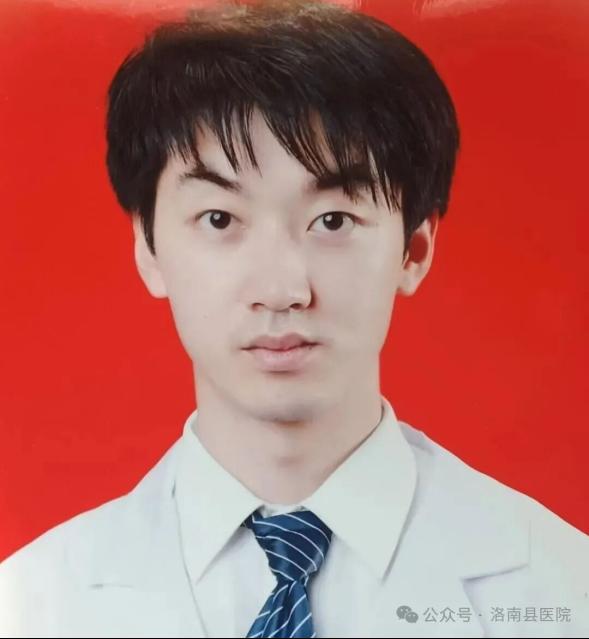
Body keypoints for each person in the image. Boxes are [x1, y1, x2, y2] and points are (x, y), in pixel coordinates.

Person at [1, 0, 587, 637]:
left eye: (332, 220)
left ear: (414, 249)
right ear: (149, 248)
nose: (281, 291)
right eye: (220, 219)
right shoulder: (29, 606)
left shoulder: (564, 590)